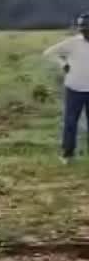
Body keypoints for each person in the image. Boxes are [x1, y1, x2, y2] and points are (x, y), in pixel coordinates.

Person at [44, 12, 89, 163]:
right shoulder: (73, 43)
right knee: (70, 123)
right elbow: (49, 53)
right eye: (83, 29)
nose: (85, 32)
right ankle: (68, 154)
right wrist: (63, 64)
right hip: (74, 89)